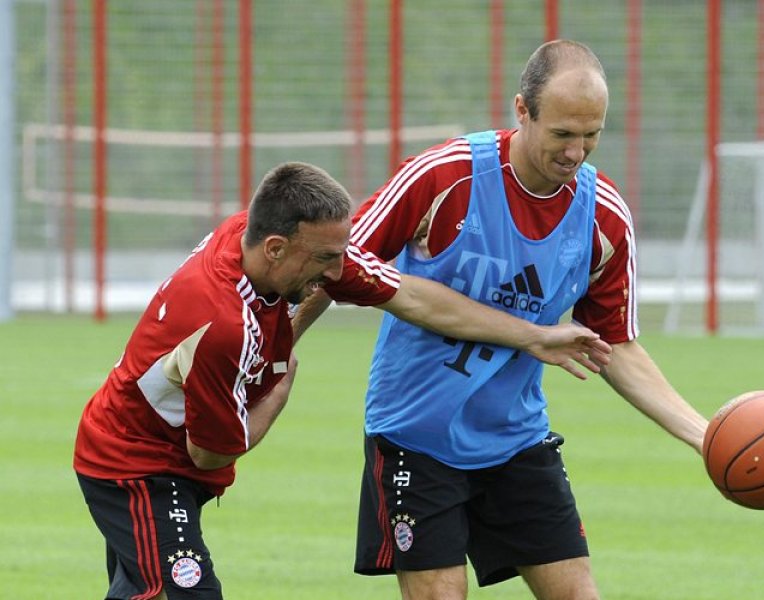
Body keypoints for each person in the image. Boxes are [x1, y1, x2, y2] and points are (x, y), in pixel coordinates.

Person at [73, 161, 611, 600]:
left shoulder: (253, 234)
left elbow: (412, 296)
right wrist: (277, 396)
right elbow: (209, 454)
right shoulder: (221, 328)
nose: (336, 274)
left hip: (163, 454)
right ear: (277, 248)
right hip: (135, 464)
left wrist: (532, 336)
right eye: (326, 258)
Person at [346, 40, 710, 599]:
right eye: (562, 134)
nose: (577, 152)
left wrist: (705, 437)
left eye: (591, 136)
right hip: (416, 436)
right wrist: (276, 354)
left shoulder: (604, 217)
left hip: (515, 438)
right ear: (522, 111)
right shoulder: (447, 178)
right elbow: (339, 259)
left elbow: (616, 345)